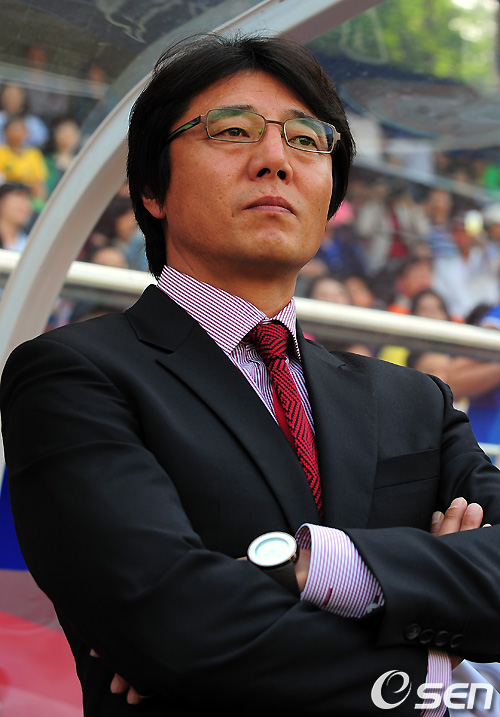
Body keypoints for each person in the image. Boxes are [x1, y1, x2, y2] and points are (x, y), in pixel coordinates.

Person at [1, 33, 499, 717]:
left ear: (332, 194)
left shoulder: (414, 399)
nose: (275, 160)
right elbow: (172, 625)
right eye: (232, 131)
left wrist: (320, 565)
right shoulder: (73, 376)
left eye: (307, 140)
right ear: (152, 189)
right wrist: (446, 672)